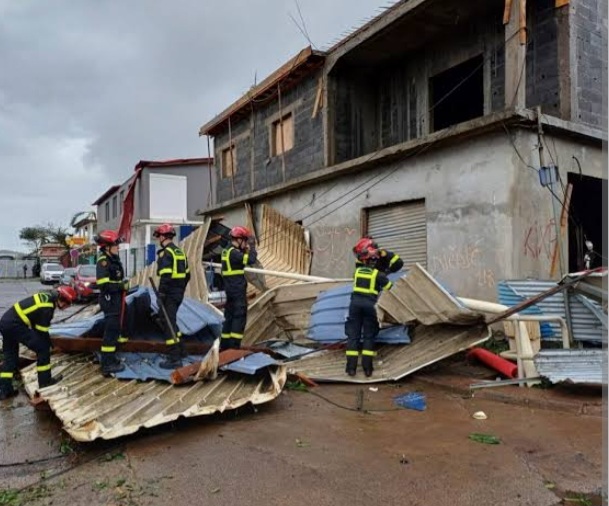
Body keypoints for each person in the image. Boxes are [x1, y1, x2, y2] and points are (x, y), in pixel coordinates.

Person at [0, 286, 77, 400]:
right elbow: (41, 332)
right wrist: (50, 345)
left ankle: (5, 390)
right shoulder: (48, 307)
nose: (67, 307)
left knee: (10, 358)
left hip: (5, 323)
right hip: (15, 325)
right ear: (64, 300)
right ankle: (45, 382)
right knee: (43, 350)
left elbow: (37, 326)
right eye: (68, 304)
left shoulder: (46, 297)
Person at [345, 247, 393, 378]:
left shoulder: (357, 272)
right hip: (370, 307)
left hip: (354, 306)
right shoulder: (378, 275)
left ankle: (351, 369)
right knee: (368, 337)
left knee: (353, 337)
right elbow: (390, 287)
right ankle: (367, 370)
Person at [153, 224, 190, 370]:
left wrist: (161, 295)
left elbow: (166, 277)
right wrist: (179, 289)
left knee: (167, 323)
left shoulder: (166, 254)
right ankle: (181, 350)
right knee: (171, 321)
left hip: (168, 294)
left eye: (159, 237)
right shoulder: (179, 252)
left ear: (162, 237)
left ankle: (174, 358)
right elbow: (188, 275)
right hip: (178, 293)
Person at [220, 226, 257, 351]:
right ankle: (234, 349)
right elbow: (251, 260)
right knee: (239, 318)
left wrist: (244, 250)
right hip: (237, 291)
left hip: (229, 290)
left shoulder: (227, 251)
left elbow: (239, 262)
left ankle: (224, 348)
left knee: (229, 318)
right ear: (239, 239)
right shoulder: (234, 253)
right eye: (245, 240)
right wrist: (252, 247)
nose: (246, 243)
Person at [95, 230, 126, 375]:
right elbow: (103, 284)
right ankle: (107, 364)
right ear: (107, 246)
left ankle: (111, 359)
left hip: (116, 300)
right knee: (111, 331)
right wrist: (121, 286)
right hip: (109, 300)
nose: (118, 247)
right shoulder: (103, 261)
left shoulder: (114, 260)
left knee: (114, 331)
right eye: (115, 245)